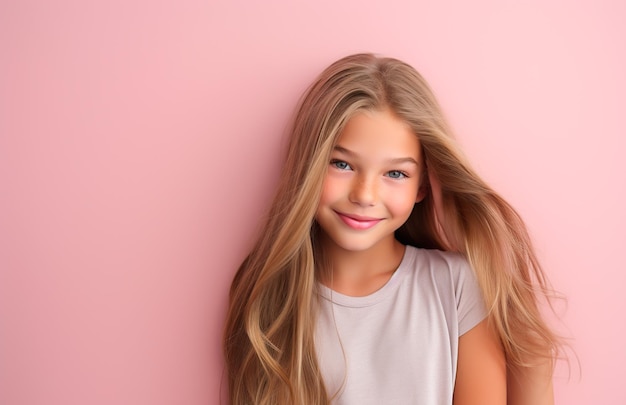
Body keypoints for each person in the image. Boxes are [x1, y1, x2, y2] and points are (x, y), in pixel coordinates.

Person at [223, 53, 561, 404]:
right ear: (309, 165)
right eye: (341, 164)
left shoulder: (459, 287)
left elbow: (527, 365)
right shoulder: (269, 296)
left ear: (423, 186)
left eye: (395, 173)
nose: (365, 195)